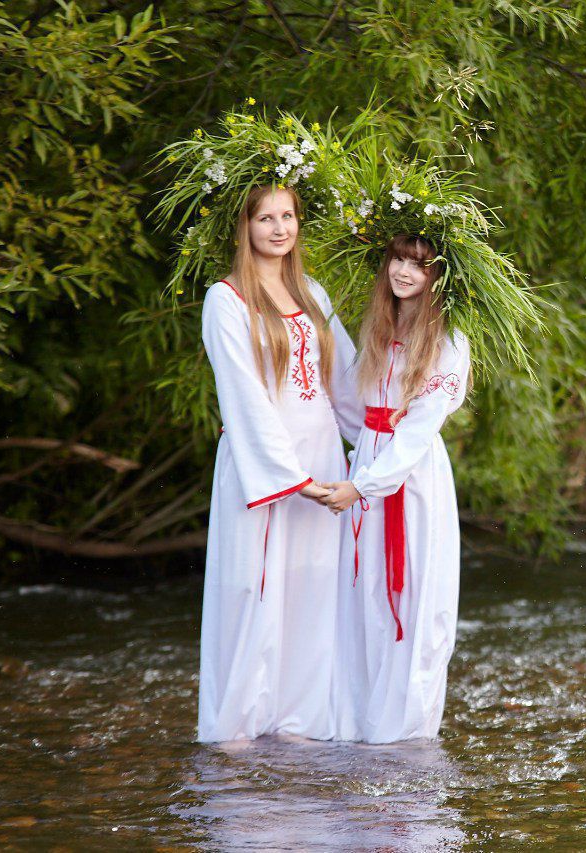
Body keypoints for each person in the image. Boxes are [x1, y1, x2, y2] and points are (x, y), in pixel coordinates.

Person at [198, 185, 362, 743]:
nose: (278, 228)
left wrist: (377, 446)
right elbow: (241, 394)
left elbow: (343, 381)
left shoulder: (312, 292)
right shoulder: (226, 298)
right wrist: (294, 480)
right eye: (265, 217)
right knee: (254, 586)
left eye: (287, 215)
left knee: (313, 587)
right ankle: (239, 726)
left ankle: (299, 720)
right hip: (263, 462)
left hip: (320, 452)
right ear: (243, 227)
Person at [320, 234, 470, 743]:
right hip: (368, 462)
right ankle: (358, 725)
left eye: (419, 265)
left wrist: (362, 487)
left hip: (412, 478)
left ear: (438, 277)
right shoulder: (379, 331)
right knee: (362, 597)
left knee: (414, 601)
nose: (404, 271)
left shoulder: (449, 341)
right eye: (398, 260)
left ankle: (405, 735)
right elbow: (351, 403)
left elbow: (419, 428)